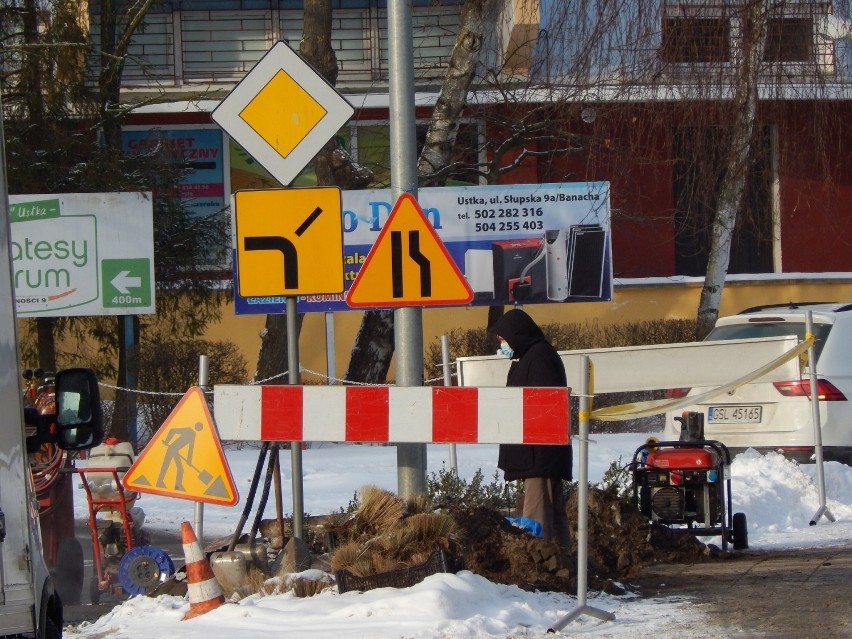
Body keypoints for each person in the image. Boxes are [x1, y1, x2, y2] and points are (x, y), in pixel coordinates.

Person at [492, 308, 572, 551]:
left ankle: (544, 570)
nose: (502, 345)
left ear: (517, 335)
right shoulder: (534, 356)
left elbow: (541, 406)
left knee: (536, 518)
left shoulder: (537, 358)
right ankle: (565, 567)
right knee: (553, 515)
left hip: (540, 453)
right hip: (541, 454)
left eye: (503, 340)